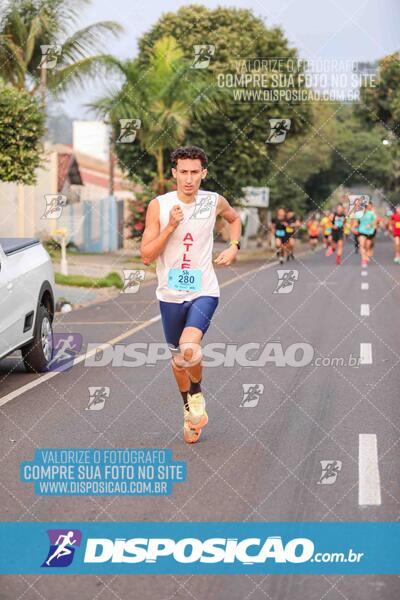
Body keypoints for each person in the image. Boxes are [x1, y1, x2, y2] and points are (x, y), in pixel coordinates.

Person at [140, 146, 241, 444]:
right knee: (177, 361)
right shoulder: (159, 206)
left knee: (188, 348)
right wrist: (170, 226)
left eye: (194, 172)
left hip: (203, 290)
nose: (188, 178)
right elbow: (146, 255)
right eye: (183, 172)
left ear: (203, 173)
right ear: (173, 173)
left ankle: (196, 394)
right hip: (169, 295)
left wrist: (234, 246)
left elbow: (233, 219)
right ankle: (189, 409)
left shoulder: (213, 201)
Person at [358, 201, 377, 267]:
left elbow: (375, 221)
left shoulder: (371, 214)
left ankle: (366, 255)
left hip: (369, 232)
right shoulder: (359, 214)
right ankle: (363, 259)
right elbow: (355, 222)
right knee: (361, 245)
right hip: (361, 232)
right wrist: (353, 227)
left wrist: (370, 225)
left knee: (367, 246)